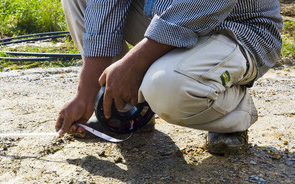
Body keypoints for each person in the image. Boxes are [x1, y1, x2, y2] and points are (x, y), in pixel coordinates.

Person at [55, 0, 283, 154]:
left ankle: (232, 110)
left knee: (166, 87)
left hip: (236, 27)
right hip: (166, 17)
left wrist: (137, 61)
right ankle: (126, 106)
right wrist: (85, 93)